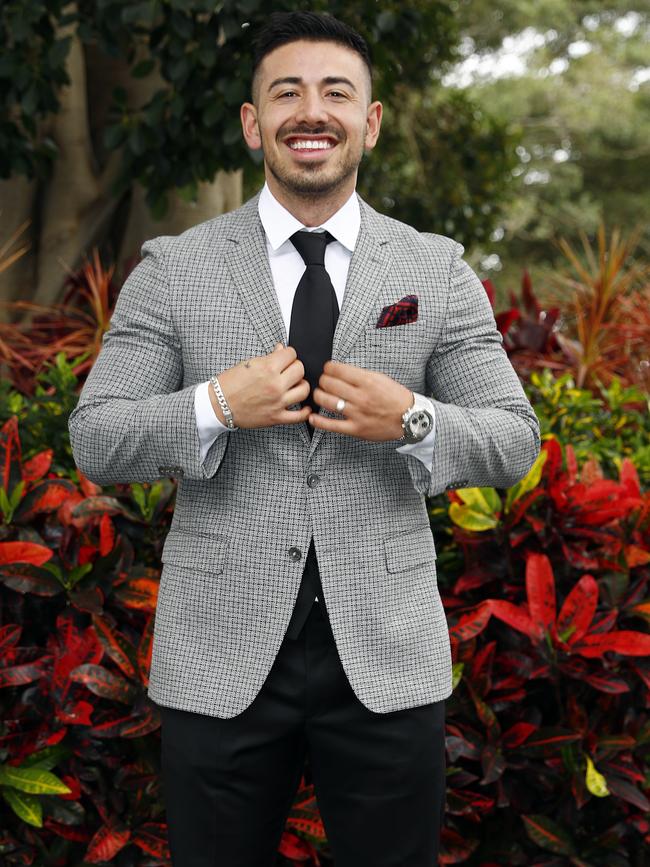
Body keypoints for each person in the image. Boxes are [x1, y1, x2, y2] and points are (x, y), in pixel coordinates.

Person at [68, 11, 540, 867]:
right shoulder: (173, 268)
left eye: (336, 92)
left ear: (371, 121)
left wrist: (414, 419)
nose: (309, 111)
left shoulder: (434, 268)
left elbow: (514, 439)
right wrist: (214, 402)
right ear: (254, 124)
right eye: (286, 92)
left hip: (386, 654)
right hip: (219, 652)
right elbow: (97, 436)